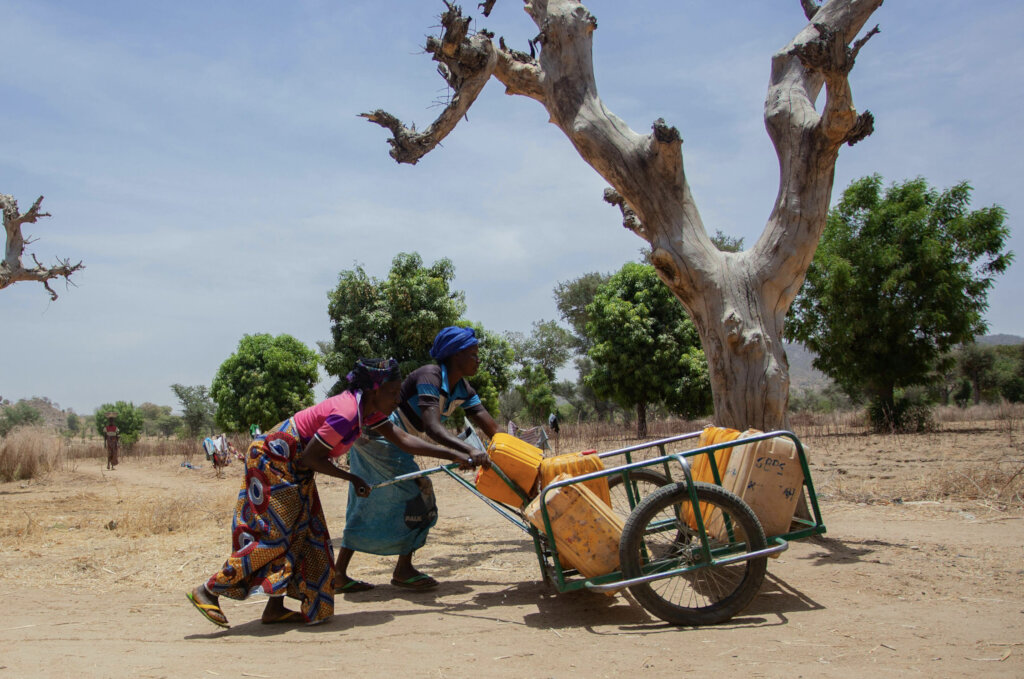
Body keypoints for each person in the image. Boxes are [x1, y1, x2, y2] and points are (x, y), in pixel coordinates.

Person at [186, 358, 455, 628]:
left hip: (293, 466)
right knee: (274, 537)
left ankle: (275, 609)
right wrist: (352, 478)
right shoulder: (347, 412)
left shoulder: (368, 410)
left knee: (308, 534)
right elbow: (309, 457)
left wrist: (458, 453)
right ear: (375, 391)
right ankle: (208, 590)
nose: (398, 399)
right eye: (394, 392)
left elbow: (404, 440)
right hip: (274, 461)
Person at [334, 326, 499, 592]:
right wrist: (468, 451)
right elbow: (433, 428)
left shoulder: (464, 389)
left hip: (397, 439)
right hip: (379, 436)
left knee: (373, 499)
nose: (478, 360)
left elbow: (492, 429)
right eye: (473, 354)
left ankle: (342, 573)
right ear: (455, 355)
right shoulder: (429, 376)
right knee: (417, 494)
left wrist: (510, 450)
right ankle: (401, 569)